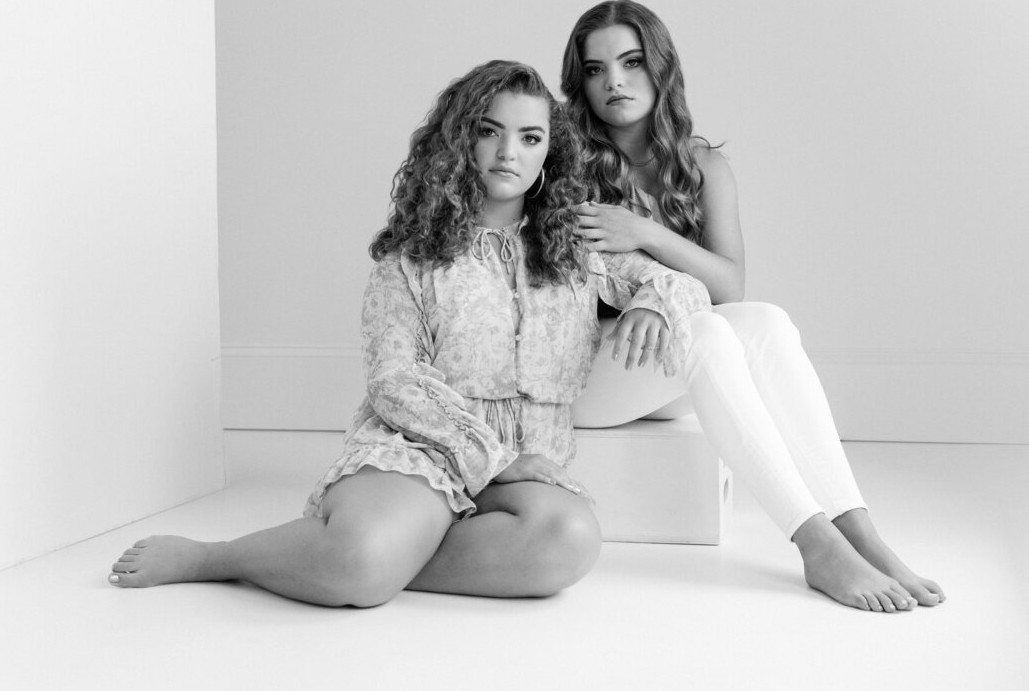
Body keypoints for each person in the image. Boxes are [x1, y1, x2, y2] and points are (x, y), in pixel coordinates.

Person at [106, 59, 710, 607]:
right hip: (422, 449)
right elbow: (395, 381)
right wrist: (495, 461)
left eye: (530, 138)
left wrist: (654, 304)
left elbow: (683, 285)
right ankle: (219, 558)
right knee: (359, 568)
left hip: (532, 463)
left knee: (569, 540)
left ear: (549, 153)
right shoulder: (412, 258)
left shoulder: (576, 246)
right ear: (460, 140)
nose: (509, 152)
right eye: (489, 130)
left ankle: (383, 557)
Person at [562, 0, 946, 613]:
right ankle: (814, 542)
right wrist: (660, 288)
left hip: (660, 369)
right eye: (595, 69)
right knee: (709, 335)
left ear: (660, 68)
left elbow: (730, 286)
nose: (614, 82)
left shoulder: (703, 165)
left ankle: (859, 531)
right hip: (590, 374)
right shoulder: (566, 167)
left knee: (766, 321)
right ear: (578, 83)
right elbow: (587, 283)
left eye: (631, 62)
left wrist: (646, 231)